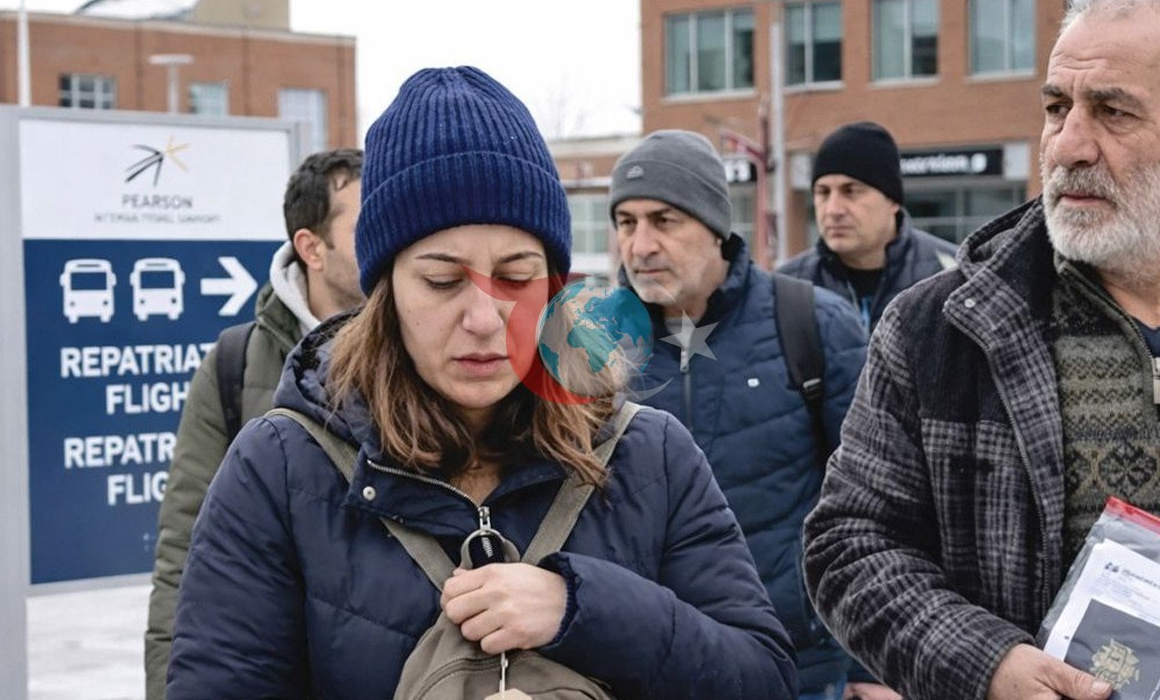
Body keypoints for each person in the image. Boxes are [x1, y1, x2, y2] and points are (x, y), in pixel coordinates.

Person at [166, 66, 797, 700]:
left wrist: (585, 609)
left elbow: (762, 677)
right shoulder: (278, 468)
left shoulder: (650, 454)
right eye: (443, 281)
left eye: (518, 276)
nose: (483, 319)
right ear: (385, 291)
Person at [803, 0, 1160, 699]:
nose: (1069, 146)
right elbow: (847, 546)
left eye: (1114, 111)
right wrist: (986, 664)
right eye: (1057, 107)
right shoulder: (939, 329)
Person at [609, 130, 883, 700]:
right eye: (626, 223)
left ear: (715, 228)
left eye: (664, 220)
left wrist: (871, 665)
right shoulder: (593, 346)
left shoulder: (812, 324)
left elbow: (876, 506)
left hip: (795, 667)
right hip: (642, 666)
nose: (640, 246)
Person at [144, 148, 364, 700]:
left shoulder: (429, 352)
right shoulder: (235, 364)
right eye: (368, 223)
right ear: (310, 247)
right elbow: (185, 552)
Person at [778, 121, 957, 332]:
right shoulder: (787, 287)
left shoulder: (951, 273)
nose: (833, 210)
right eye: (823, 192)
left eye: (851, 191)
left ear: (892, 201)